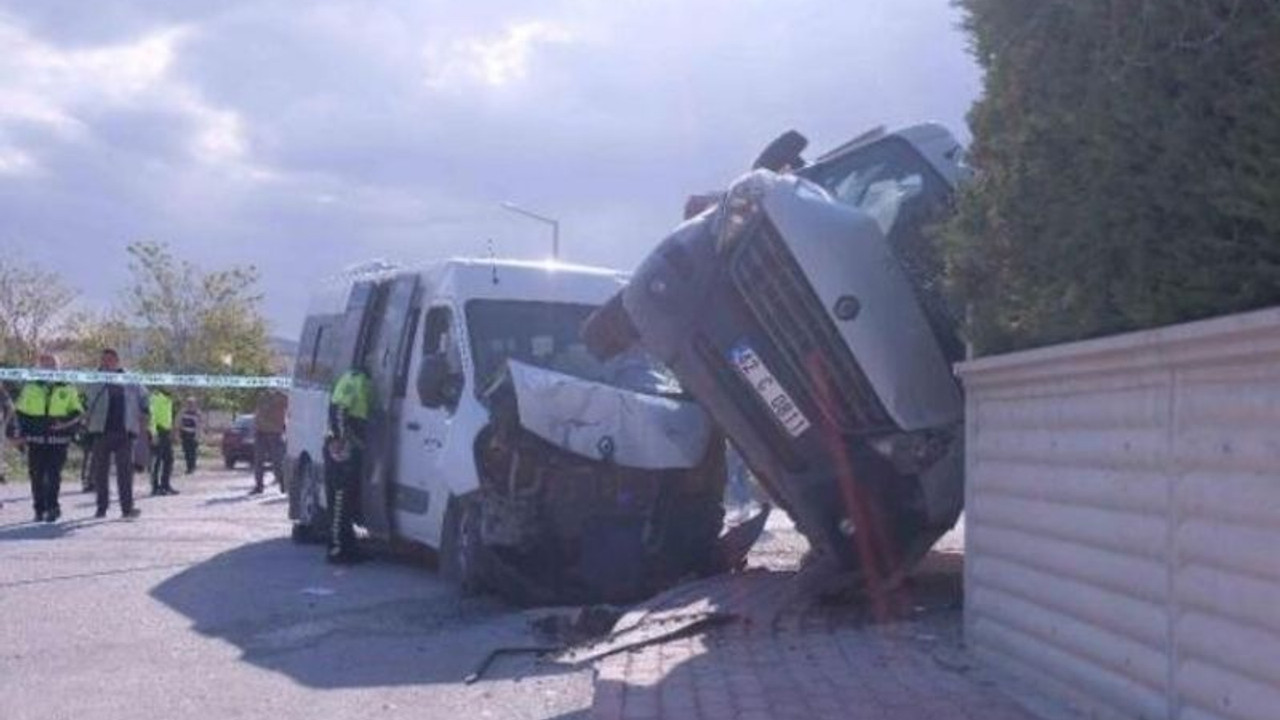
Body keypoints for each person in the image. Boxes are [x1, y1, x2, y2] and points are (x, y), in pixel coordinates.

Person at [14, 353, 83, 522]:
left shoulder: (68, 387)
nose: (48, 368)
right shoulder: (30, 387)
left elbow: (77, 412)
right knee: (36, 474)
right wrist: (20, 435)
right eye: (44, 365)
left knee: (53, 474)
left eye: (51, 365)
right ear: (39, 368)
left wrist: (64, 423)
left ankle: (53, 507)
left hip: (58, 439)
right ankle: (39, 508)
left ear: (58, 368)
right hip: (35, 439)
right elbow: (20, 413)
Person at [84, 348, 149, 519]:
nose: (106, 362)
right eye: (103, 359)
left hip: (125, 432)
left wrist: (145, 410)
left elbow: (144, 397)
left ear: (117, 360)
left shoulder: (130, 378)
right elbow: (84, 399)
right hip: (100, 431)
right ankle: (101, 508)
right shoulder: (93, 378)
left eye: (109, 359)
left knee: (125, 474)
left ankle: (127, 509)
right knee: (100, 474)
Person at [324, 365, 371, 563]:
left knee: (348, 499)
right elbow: (339, 409)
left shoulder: (358, 379)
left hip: (350, 446)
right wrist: (340, 440)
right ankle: (337, 550)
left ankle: (349, 547)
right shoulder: (355, 378)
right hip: (342, 448)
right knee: (340, 500)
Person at [251, 389, 287, 494]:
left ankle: (282, 484)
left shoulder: (281, 397)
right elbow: (258, 411)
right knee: (258, 461)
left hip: (275, 432)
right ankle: (259, 486)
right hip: (260, 431)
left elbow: (289, 408)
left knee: (277, 461)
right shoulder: (262, 396)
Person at [149, 387, 177, 495]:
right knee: (156, 462)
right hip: (158, 431)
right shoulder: (156, 397)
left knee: (169, 459)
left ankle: (165, 484)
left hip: (166, 432)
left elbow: (168, 417)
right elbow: (152, 417)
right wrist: (154, 433)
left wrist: (171, 430)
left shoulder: (168, 399)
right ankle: (155, 487)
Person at [178, 397, 201, 474]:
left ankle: (192, 467)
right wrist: (179, 433)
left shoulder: (197, 413)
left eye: (191, 403)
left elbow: (199, 425)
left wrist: (197, 436)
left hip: (193, 434)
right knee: (186, 452)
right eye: (188, 403)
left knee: (193, 452)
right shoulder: (183, 412)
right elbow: (180, 422)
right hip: (185, 434)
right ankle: (188, 467)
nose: (190, 404)